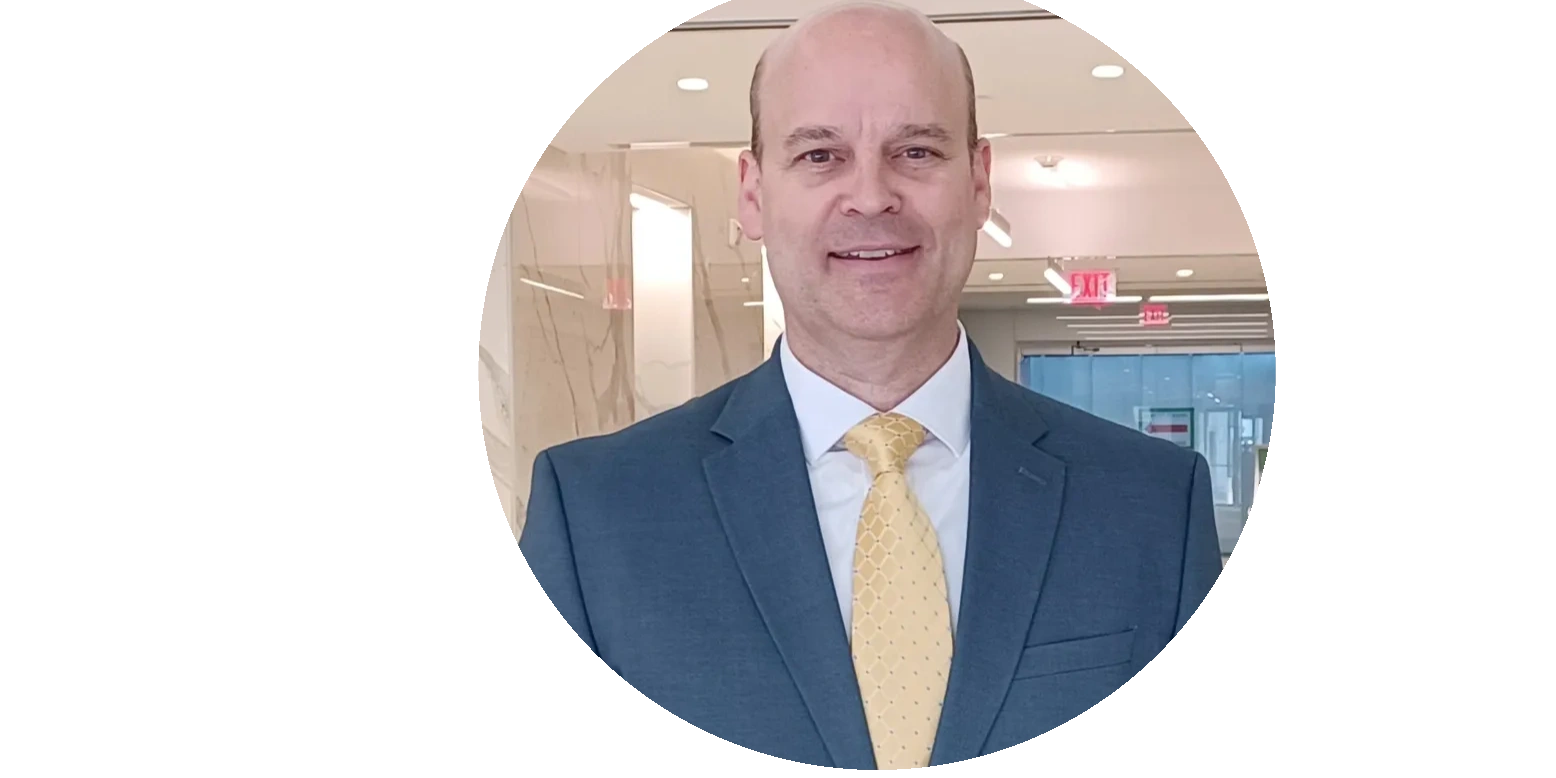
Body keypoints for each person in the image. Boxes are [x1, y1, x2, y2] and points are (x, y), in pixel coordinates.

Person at [520, 1, 1222, 769]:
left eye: (916, 151)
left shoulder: (1152, 504)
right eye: (819, 155)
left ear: (979, 182)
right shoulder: (596, 515)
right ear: (753, 193)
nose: (871, 196)